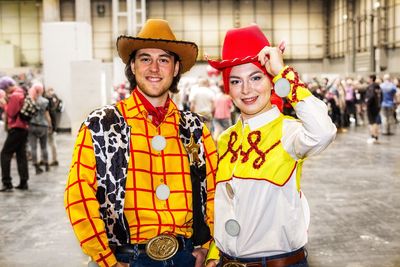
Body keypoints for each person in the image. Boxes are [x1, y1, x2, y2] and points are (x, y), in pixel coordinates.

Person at [64, 19, 218, 267]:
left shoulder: (195, 129)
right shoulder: (100, 124)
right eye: (145, 58)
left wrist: (207, 247)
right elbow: (78, 196)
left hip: (187, 257)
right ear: (133, 66)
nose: (154, 68)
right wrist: (106, 260)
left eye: (164, 60)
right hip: (123, 258)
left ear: (176, 68)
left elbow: (214, 191)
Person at [205, 24, 337, 267]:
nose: (246, 90)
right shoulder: (225, 140)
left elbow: (324, 131)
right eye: (236, 81)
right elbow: (224, 204)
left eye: (256, 77)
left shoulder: (290, 132)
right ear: (228, 88)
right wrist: (215, 253)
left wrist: (284, 74)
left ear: (271, 80)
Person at [0, 76, 30, 191]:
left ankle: (7, 183)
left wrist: (4, 104)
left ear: (7, 87)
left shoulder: (15, 95)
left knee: (4, 154)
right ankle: (24, 182)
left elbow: (11, 113)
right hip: (24, 128)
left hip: (16, 129)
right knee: (21, 155)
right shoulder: (22, 91)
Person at [28, 83, 52, 174]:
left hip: (32, 125)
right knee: (44, 146)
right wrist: (50, 125)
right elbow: (47, 115)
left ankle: (36, 167)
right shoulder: (45, 101)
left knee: (33, 147)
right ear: (41, 90)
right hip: (43, 125)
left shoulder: (31, 100)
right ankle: (46, 165)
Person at [45, 87, 63, 166]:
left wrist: (50, 126)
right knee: (52, 142)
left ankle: (54, 159)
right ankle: (54, 159)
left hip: (51, 125)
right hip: (53, 123)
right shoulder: (53, 100)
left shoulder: (48, 101)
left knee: (51, 142)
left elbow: (49, 115)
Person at [365, 75, 382, 144]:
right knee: (375, 122)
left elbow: (371, 96)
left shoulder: (371, 87)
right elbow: (381, 96)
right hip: (377, 106)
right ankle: (375, 136)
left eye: (368, 78)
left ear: (371, 79)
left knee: (372, 122)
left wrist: (367, 103)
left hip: (371, 107)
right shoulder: (378, 86)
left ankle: (373, 136)